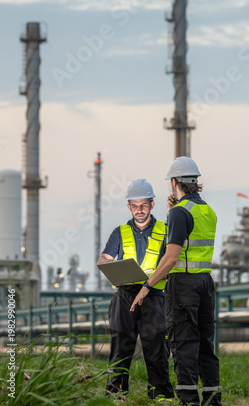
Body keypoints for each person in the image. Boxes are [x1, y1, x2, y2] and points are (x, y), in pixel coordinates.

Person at [131, 157, 222, 406]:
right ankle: (212, 399)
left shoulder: (180, 213)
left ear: (174, 182)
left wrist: (147, 286)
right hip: (205, 283)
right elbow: (191, 244)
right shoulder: (207, 211)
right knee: (205, 343)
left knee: (183, 343)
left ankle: (188, 400)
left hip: (183, 286)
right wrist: (173, 212)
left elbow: (171, 257)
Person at [97, 178, 174, 403]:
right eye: (134, 205)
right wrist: (109, 264)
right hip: (124, 297)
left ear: (152, 204)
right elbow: (104, 258)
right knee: (120, 348)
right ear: (128, 206)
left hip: (153, 298)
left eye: (143, 205)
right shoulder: (119, 232)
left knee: (156, 348)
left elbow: (173, 262)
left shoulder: (165, 230)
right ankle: (116, 395)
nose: (139, 210)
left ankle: (160, 396)